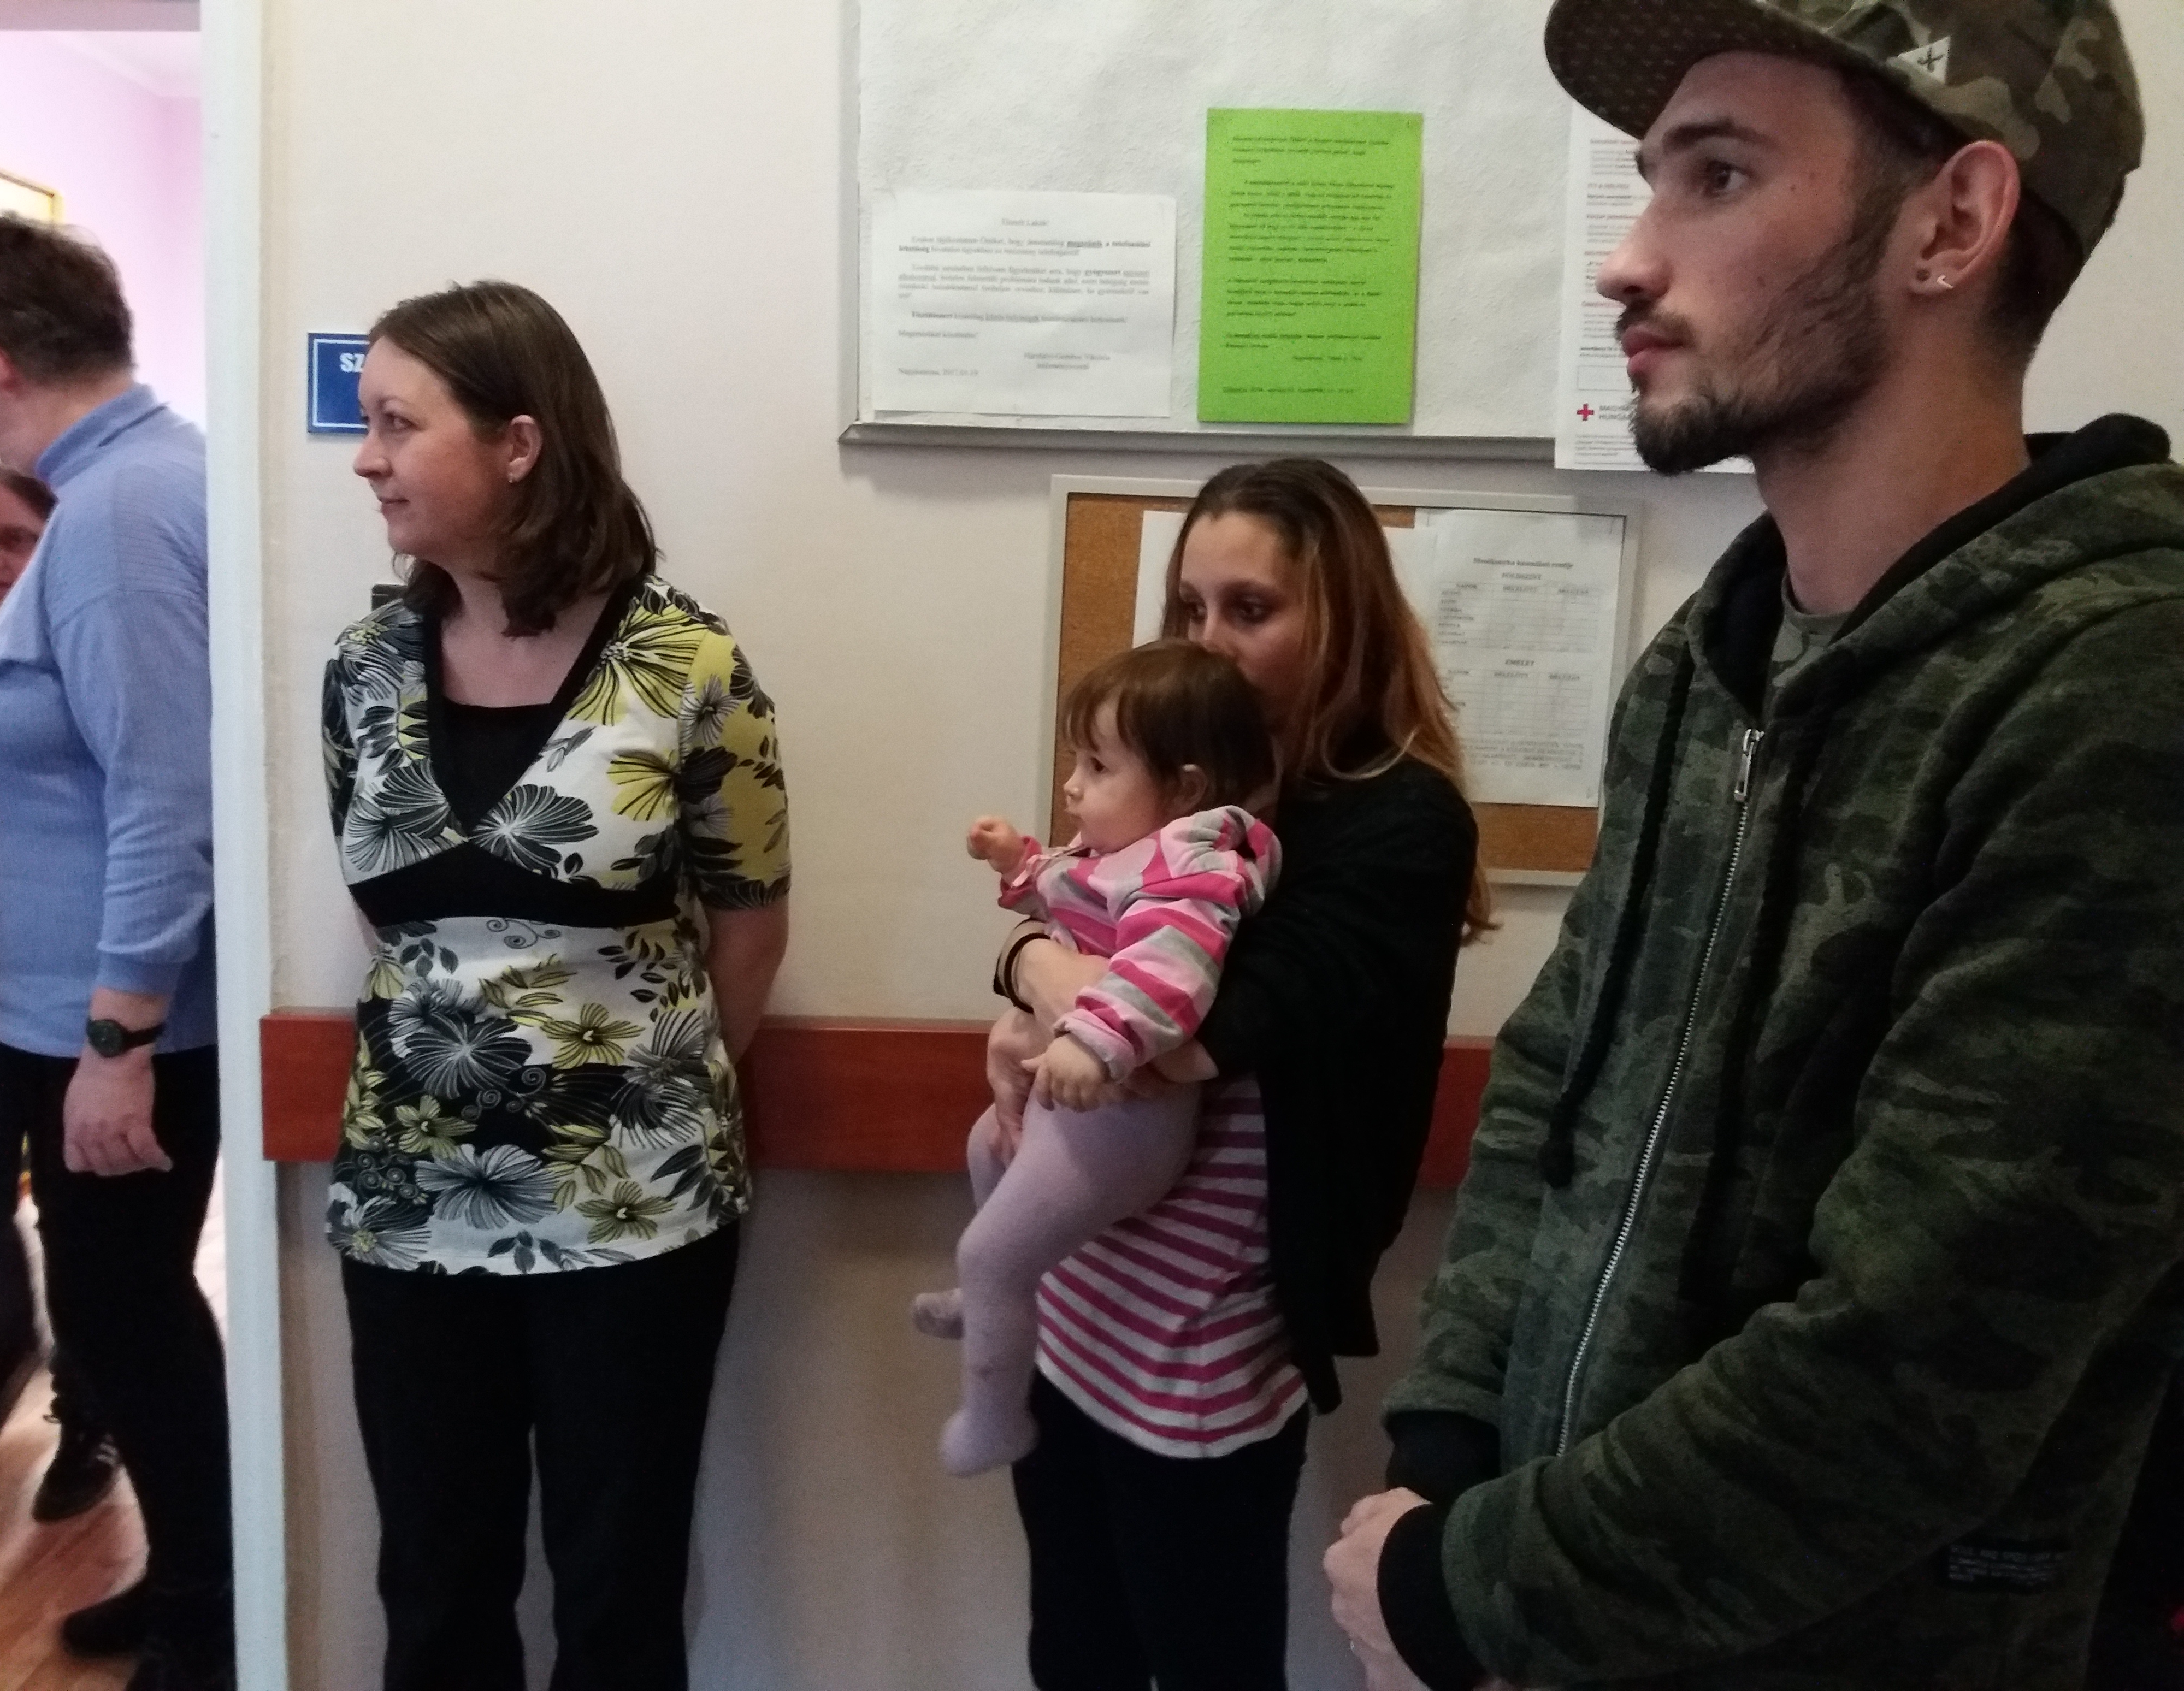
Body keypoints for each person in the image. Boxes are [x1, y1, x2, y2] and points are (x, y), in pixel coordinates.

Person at [1327, 4, 2184, 1688]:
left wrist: (1471, 1586)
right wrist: (1450, 1448)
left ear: (1952, 222)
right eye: (1651, 179)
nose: (1626, 261)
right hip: (1572, 1618)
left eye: (1715, 178)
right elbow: (1558, 1082)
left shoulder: (2114, 692)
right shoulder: (1714, 661)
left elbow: (1921, 1362)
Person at [324, 279, 790, 1691]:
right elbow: (391, 916)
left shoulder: (688, 667)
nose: (367, 459)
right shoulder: (364, 670)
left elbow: (752, 925)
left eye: (398, 424)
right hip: (407, 1202)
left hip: (636, 1209)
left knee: (618, 1592)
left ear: (518, 442)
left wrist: (644, 1088)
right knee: (435, 1589)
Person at [993, 458, 1486, 1690]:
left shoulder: (1394, 822)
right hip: (1083, 1298)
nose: (1208, 641)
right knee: (1076, 1650)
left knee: (1205, 1659)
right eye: (1190, 607)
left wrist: (1031, 965)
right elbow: (1076, 921)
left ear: (1343, 621)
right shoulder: (1182, 791)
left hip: (1203, 1342)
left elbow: (1172, 1041)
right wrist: (1034, 953)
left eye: (1250, 610)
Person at [0, 214, 227, 1690]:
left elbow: (166, 794)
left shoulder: (113, 517)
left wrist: (118, 1040)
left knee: (130, 1323)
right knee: (126, 1317)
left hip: (118, 1032)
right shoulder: (137, 482)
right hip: (82, 1019)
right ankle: (191, 1584)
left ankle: (211, 1620)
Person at [914, 639, 1280, 1476]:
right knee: (985, 1148)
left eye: (1098, 766)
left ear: (1184, 789)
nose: (1074, 786)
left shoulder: (1193, 870)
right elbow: (1064, 889)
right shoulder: (1126, 854)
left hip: (1127, 1123)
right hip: (1075, 1106)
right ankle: (989, 1298)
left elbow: (1169, 971)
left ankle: (994, 1422)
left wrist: (1092, 1041)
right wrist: (1016, 862)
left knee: (990, 1252)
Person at [0, 458, 123, 1521]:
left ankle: (88, 1413)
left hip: (64, 992)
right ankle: (11, 1330)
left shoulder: (80, 645)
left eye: (12, 538)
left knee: (81, 1228)